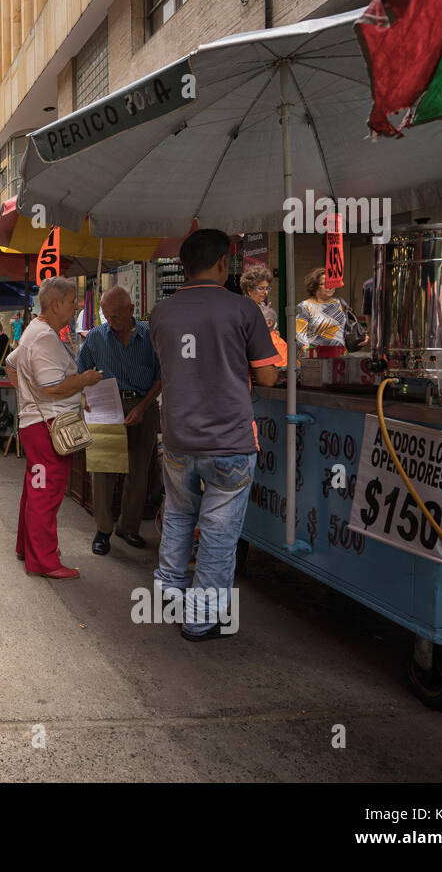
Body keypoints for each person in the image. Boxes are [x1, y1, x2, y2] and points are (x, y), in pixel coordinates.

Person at [149, 229, 279, 641]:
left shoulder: (160, 313)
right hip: (230, 440)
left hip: (178, 437)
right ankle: (201, 619)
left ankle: (167, 598)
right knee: (219, 534)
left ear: (183, 267)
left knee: (179, 515)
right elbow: (268, 376)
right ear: (224, 262)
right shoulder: (244, 310)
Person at [6, 277, 102, 579]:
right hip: (46, 427)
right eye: (73, 301)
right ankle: (43, 560)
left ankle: (30, 548)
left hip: (38, 422)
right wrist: (84, 381)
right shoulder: (45, 337)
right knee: (45, 493)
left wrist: (26, 395)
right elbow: (53, 385)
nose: (77, 306)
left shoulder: (37, 331)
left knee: (35, 491)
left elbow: (11, 363)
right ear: (56, 303)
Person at [76, 286, 162, 556]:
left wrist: (143, 406)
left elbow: (162, 376)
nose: (111, 322)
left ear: (131, 310)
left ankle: (129, 526)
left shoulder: (150, 335)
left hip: (143, 405)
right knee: (103, 471)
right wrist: (84, 396)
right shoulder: (96, 338)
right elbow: (81, 372)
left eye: (116, 316)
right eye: (107, 316)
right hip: (105, 404)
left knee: (139, 471)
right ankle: (103, 530)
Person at [295, 266, 367, 352]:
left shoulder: (340, 303)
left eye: (332, 283)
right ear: (314, 286)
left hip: (340, 358)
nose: (330, 287)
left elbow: (351, 325)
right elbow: (300, 336)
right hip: (315, 359)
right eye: (325, 284)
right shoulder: (305, 307)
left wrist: (363, 336)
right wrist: (311, 354)